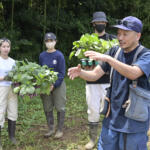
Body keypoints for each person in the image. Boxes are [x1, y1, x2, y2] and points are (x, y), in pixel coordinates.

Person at [68, 16, 150, 150]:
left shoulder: (146, 55)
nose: (120, 37)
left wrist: (108, 59)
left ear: (138, 36)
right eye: (118, 33)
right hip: (112, 118)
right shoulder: (114, 51)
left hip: (134, 122)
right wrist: (81, 73)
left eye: (125, 34)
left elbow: (134, 73)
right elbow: (95, 75)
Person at [84, 11, 116, 150]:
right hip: (91, 81)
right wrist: (88, 64)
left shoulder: (113, 40)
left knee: (109, 110)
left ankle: (109, 137)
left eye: (102, 22)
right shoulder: (87, 41)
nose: (100, 24)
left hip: (108, 80)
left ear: (106, 24)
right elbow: (84, 61)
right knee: (93, 110)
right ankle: (92, 139)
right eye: (98, 22)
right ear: (93, 24)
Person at [39, 32, 66, 139]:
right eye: (47, 41)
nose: (49, 43)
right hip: (45, 85)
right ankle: (50, 129)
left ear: (55, 41)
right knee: (47, 106)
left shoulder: (59, 55)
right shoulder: (42, 55)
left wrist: (54, 85)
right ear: (45, 42)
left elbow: (62, 72)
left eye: (51, 41)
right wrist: (42, 85)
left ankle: (59, 130)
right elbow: (40, 71)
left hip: (58, 84)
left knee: (60, 107)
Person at [0, 38, 18, 149]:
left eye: (8, 46)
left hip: (12, 89)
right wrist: (3, 77)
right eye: (3, 46)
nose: (6, 49)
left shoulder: (13, 62)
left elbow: (17, 75)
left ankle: (12, 137)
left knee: (13, 110)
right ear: (0, 48)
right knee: (0, 111)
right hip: (1, 88)